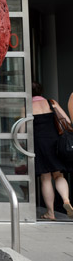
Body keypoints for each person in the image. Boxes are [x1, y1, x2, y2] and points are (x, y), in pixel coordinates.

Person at [32, 82, 73, 220]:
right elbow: (66, 120)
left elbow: (21, 129)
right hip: (56, 142)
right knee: (58, 175)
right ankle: (66, 200)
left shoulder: (27, 106)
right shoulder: (51, 102)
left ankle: (50, 213)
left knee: (46, 178)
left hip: (40, 143)